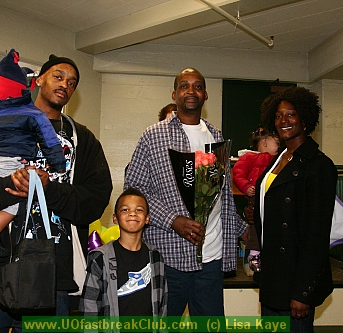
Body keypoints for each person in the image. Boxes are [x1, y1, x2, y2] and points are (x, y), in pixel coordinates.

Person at [0, 54, 113, 332]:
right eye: (58, 77)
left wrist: (50, 189)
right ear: (38, 81)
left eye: (72, 82)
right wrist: (8, 187)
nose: (65, 85)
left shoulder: (82, 139)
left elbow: (94, 201)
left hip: (51, 278)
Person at [124, 67, 247, 317]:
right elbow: (133, 190)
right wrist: (173, 221)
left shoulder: (216, 137)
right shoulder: (153, 136)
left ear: (205, 95)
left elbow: (222, 199)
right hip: (169, 257)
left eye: (198, 86)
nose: (191, 91)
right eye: (184, 85)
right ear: (174, 94)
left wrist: (246, 231)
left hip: (210, 259)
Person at [0, 49, 66, 257]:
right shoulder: (31, 113)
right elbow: (49, 141)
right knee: (16, 201)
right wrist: (58, 163)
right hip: (4, 163)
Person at [253, 86, 336, 332]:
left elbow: (317, 235)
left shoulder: (319, 165)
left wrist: (303, 291)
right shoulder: (279, 158)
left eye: (291, 114)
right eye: (278, 116)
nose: (284, 120)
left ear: (305, 117)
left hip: (294, 280)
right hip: (273, 277)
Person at [79, 188, 167, 316]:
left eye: (139, 210)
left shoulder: (155, 257)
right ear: (115, 218)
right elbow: (89, 306)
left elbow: (162, 304)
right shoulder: (100, 257)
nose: (132, 213)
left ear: (147, 218)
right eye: (125, 210)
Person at [232, 127, 279, 272]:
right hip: (256, 197)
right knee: (255, 224)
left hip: (275, 198)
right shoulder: (249, 157)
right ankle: (254, 253)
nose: (279, 145)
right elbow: (238, 173)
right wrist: (246, 187)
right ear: (264, 143)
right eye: (276, 142)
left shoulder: (280, 159)